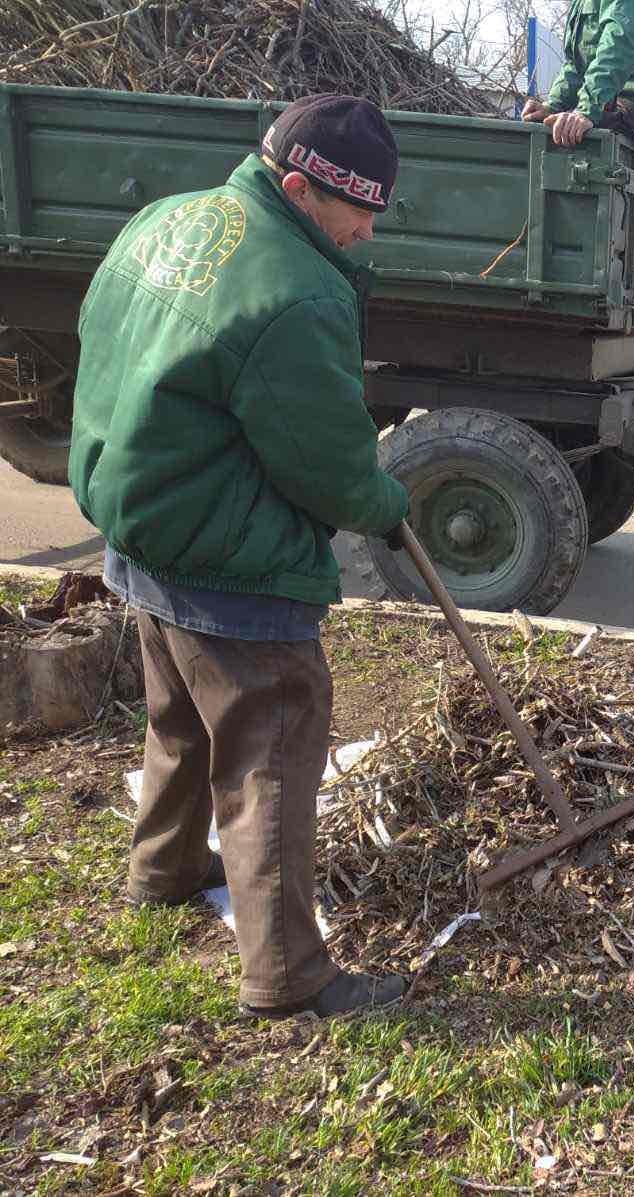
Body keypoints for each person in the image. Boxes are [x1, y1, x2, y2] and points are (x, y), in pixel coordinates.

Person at [69, 94, 413, 1020]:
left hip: (142, 527)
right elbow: (332, 465)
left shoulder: (168, 220)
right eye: (360, 210)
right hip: (229, 561)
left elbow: (95, 343)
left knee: (179, 714)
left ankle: (165, 865)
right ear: (300, 188)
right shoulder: (295, 292)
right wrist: (386, 500)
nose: (367, 230)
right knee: (271, 744)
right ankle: (289, 972)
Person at [521, 0, 634, 154]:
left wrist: (586, 111)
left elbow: (619, 48)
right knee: (544, 128)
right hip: (610, 101)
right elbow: (578, 63)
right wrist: (553, 106)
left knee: (564, 138)